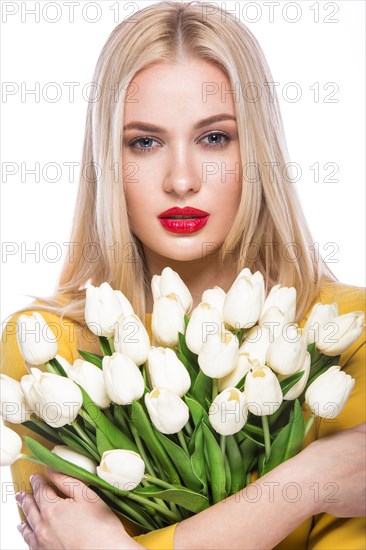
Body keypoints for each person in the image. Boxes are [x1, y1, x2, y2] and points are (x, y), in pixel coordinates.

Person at [1, 1, 365, 549]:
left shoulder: (343, 332)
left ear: (257, 150)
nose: (182, 179)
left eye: (214, 138)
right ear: (109, 159)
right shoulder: (46, 346)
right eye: (144, 142)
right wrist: (311, 479)